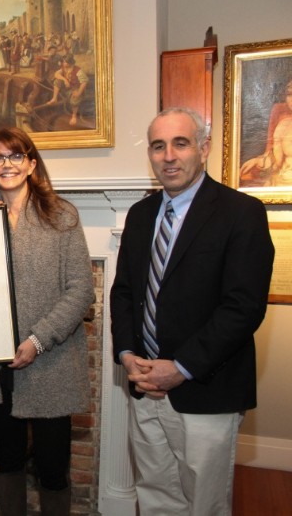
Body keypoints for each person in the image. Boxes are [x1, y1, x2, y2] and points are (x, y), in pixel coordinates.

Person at [110, 107, 274, 515]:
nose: (169, 156)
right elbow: (124, 293)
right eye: (158, 146)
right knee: (154, 494)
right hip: (145, 386)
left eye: (180, 144)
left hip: (205, 389)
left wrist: (179, 367)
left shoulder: (242, 213)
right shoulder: (140, 215)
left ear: (202, 148)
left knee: (204, 502)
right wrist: (128, 356)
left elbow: (243, 308)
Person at [0, 127, 94, 516]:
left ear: (31, 163)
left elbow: (81, 290)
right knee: (7, 461)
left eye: (15, 156)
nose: (6, 165)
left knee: (52, 467)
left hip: (50, 363)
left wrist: (37, 340)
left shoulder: (61, 215)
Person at [47, 54, 89, 126]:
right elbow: (56, 74)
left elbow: (84, 82)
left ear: (70, 62)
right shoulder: (64, 68)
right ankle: (54, 98)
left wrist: (78, 92)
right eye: (63, 62)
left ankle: (74, 116)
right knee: (57, 81)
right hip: (67, 88)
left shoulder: (78, 70)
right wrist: (65, 80)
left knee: (75, 99)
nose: (63, 63)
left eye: (65, 62)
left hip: (76, 88)